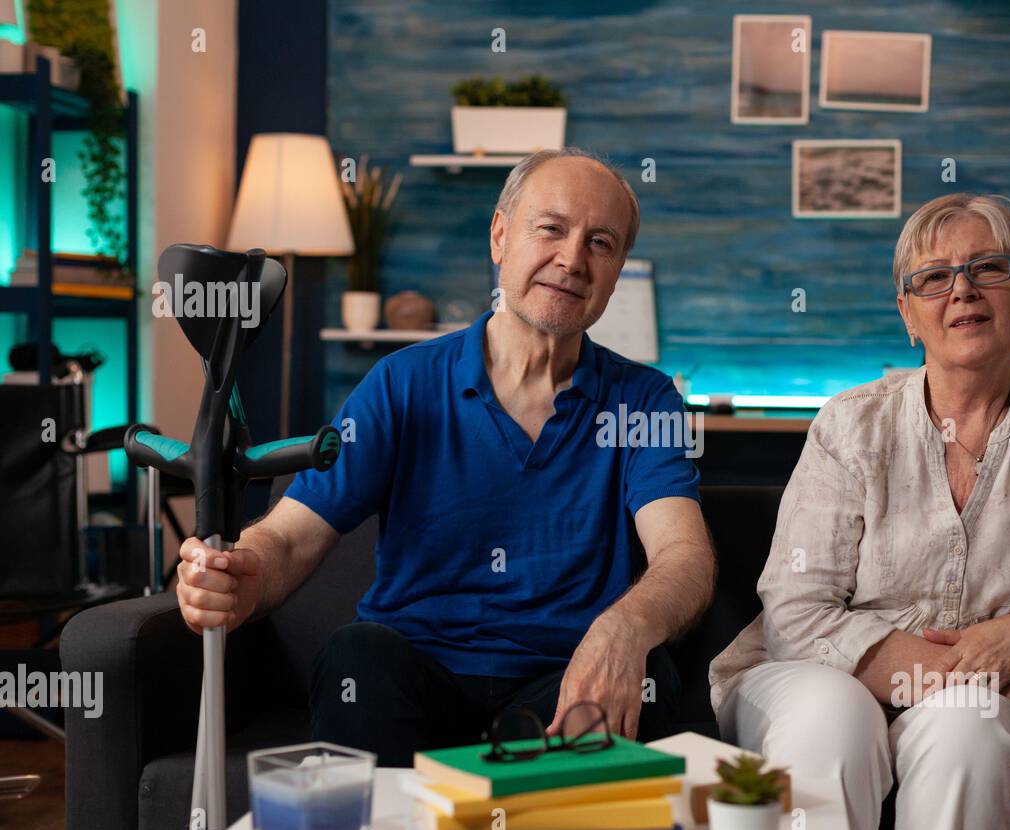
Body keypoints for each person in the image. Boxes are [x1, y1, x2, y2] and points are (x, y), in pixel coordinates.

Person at [176, 147, 716, 766]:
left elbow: (685, 555)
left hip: (560, 687)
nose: (572, 259)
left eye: (601, 242)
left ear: (618, 268)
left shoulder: (643, 400)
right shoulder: (401, 383)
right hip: (411, 680)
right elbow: (292, 537)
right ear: (500, 235)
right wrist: (242, 573)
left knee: (653, 680)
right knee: (356, 655)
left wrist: (625, 629)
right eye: (551, 228)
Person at [709, 192, 1010, 830]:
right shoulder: (849, 425)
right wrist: (983, 676)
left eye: (988, 268)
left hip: (986, 705)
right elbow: (797, 615)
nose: (962, 290)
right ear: (909, 314)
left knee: (970, 733)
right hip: (810, 675)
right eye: (933, 278)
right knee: (833, 721)